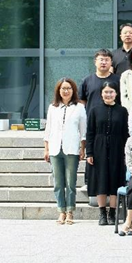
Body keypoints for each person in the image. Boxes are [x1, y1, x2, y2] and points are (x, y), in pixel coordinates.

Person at [44, 78, 87, 225]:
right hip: (55, 148)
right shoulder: (53, 107)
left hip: (71, 148)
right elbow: (48, 129)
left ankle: (70, 211)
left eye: (69, 88)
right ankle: (61, 211)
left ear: (73, 90)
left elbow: (83, 130)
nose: (66, 91)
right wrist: (46, 148)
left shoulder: (79, 107)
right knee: (58, 182)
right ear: (58, 91)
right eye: (63, 88)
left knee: (70, 182)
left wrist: (82, 148)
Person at [86, 81, 129, 226]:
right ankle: (102, 213)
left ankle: (112, 212)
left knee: (115, 179)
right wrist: (89, 152)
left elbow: (125, 133)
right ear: (101, 94)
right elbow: (90, 133)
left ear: (116, 94)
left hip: (118, 148)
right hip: (99, 148)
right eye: (106, 92)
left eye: (111, 92)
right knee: (101, 179)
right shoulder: (94, 110)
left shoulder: (122, 111)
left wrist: (126, 153)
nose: (108, 94)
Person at [80, 49, 121, 113]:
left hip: (114, 116)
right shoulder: (87, 81)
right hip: (92, 117)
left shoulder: (118, 80)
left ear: (111, 63)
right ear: (95, 62)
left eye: (107, 60)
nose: (104, 62)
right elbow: (82, 101)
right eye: (101, 60)